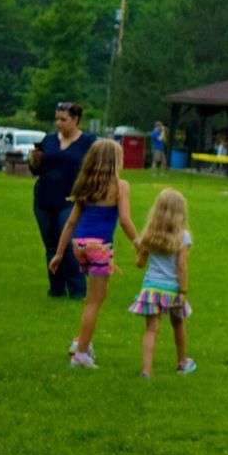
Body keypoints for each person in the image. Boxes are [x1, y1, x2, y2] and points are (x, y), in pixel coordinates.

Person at [49, 139, 142, 368]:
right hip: (99, 248)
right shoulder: (120, 186)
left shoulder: (86, 185)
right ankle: (80, 354)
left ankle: (81, 339)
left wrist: (59, 254)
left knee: (96, 297)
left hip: (80, 246)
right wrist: (140, 244)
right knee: (93, 302)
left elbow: (71, 223)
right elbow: (125, 220)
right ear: (115, 162)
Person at [29, 101, 97, 299]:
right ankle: (56, 289)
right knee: (51, 246)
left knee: (68, 245)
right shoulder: (48, 140)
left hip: (71, 200)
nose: (58, 123)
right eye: (56, 119)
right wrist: (34, 160)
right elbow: (37, 170)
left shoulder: (89, 142)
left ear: (75, 119)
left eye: (63, 119)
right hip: (44, 200)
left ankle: (77, 290)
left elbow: (95, 169)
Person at [129, 188, 196, 377]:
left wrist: (139, 253)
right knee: (178, 323)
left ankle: (146, 371)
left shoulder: (149, 235)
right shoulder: (183, 236)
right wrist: (183, 290)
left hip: (151, 288)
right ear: (180, 213)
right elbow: (181, 265)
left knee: (151, 329)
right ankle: (182, 363)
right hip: (173, 289)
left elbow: (140, 264)